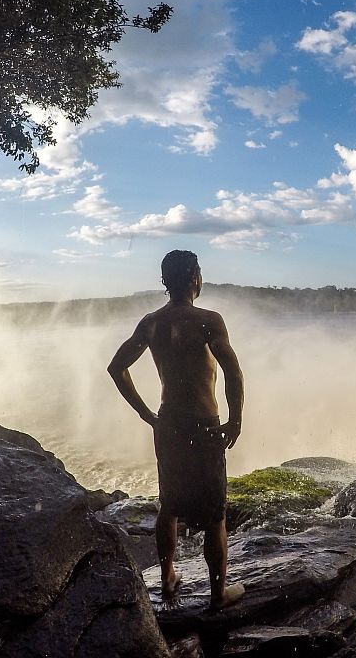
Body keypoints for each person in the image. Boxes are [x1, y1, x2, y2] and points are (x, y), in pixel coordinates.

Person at [107, 250, 245, 610]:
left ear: (165, 282)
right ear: (196, 278)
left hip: (167, 423)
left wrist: (146, 414)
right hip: (203, 424)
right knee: (215, 513)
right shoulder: (208, 320)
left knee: (169, 505)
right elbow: (232, 371)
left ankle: (168, 577)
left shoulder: (152, 322)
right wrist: (236, 419)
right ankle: (218, 594)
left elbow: (116, 368)